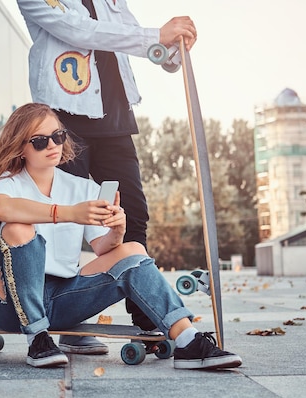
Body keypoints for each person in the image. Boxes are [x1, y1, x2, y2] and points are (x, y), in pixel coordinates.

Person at [0, 103, 241, 370]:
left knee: (132, 250)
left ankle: (188, 340)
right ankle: (37, 339)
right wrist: (70, 213)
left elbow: (103, 248)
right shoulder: (8, 182)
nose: (52, 145)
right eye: (40, 141)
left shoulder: (83, 187)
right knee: (18, 228)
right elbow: (1, 208)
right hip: (4, 304)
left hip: (60, 301)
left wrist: (116, 231)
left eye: (58, 136)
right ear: (20, 148)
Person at [15, 0, 198, 352]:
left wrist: (172, 48)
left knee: (133, 212)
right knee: (66, 224)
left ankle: (147, 314)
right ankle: (63, 318)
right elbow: (80, 30)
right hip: (64, 118)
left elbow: (130, 35)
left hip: (115, 115)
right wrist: (153, 36)